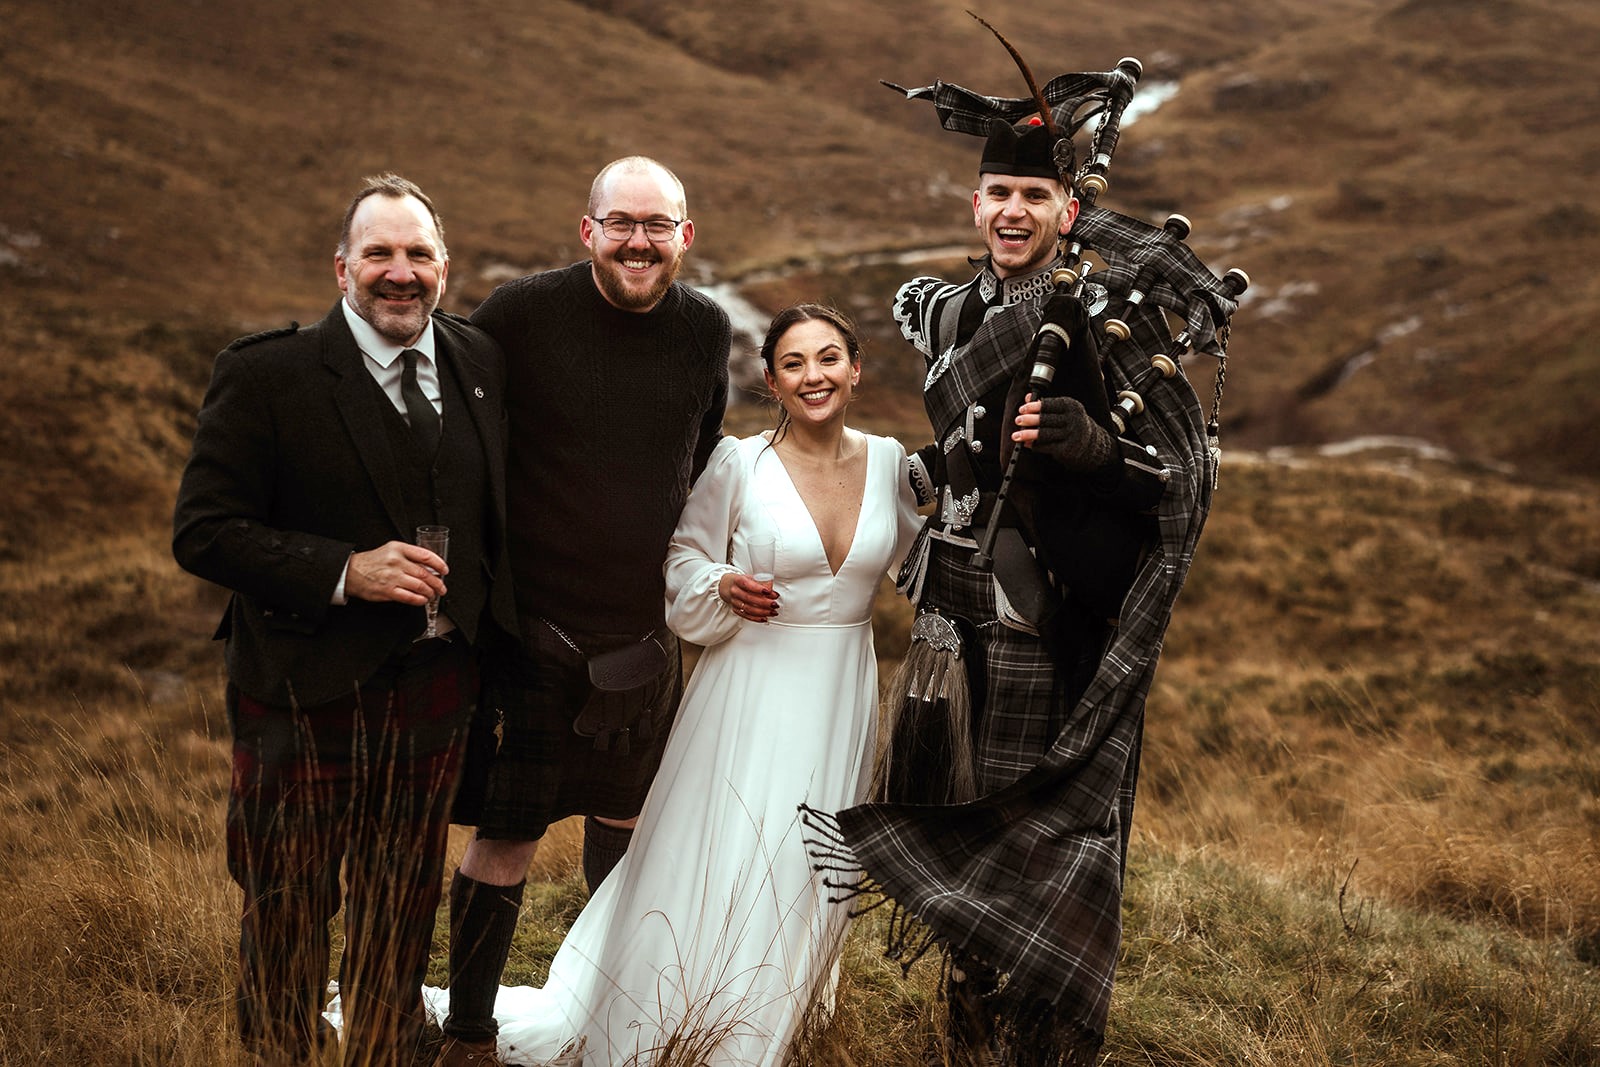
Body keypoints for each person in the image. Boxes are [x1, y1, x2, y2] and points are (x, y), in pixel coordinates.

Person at [804, 100, 1231, 1065]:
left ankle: (1043, 1047)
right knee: (957, 820)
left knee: (1034, 844)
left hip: (1043, 621)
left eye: (1034, 195)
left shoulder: (1106, 316)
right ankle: (968, 1039)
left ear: (1065, 212)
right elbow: (963, 445)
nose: (1012, 211)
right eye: (998, 191)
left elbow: (1183, 479)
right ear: (974, 201)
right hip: (946, 618)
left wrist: (1094, 452)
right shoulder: (950, 313)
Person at [424, 303, 922, 1065]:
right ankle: (679, 1017)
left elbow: (926, 568)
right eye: (793, 363)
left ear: (856, 368)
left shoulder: (891, 463)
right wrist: (722, 584)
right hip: (746, 688)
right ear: (771, 382)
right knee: (722, 849)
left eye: (829, 358)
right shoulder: (739, 464)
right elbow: (682, 563)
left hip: (840, 693)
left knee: (806, 858)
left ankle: (773, 1021)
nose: (813, 376)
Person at [172, 173, 517, 1065]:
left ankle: (386, 1036)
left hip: (440, 682)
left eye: (417, 254)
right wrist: (343, 570)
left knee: (404, 889)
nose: (398, 273)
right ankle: (281, 1048)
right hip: (300, 685)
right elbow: (204, 532)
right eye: (379, 254)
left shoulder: (478, 361)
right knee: (288, 894)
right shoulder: (265, 374)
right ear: (342, 267)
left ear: (445, 267)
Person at [437, 156, 731, 1065]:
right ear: (589, 230)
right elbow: (460, 436)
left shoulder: (707, 330)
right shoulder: (520, 314)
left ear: (685, 235)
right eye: (622, 223)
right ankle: (471, 1034)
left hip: (644, 642)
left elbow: (703, 450)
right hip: (534, 638)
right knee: (507, 837)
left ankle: (611, 1023)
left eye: (659, 225)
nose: (639, 241)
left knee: (627, 839)